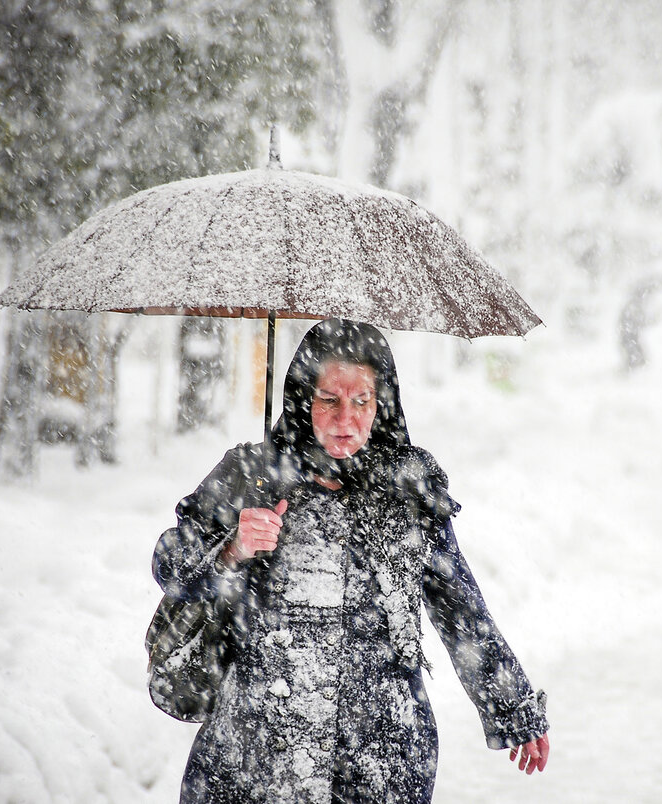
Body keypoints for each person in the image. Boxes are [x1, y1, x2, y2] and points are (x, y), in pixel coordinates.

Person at [153, 318, 550, 803]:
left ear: (382, 404)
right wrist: (233, 548)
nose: (346, 419)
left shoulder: (407, 488)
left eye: (362, 401)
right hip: (256, 755)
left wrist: (513, 708)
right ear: (304, 399)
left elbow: (459, 606)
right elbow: (169, 564)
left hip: (379, 758)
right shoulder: (251, 475)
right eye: (329, 400)